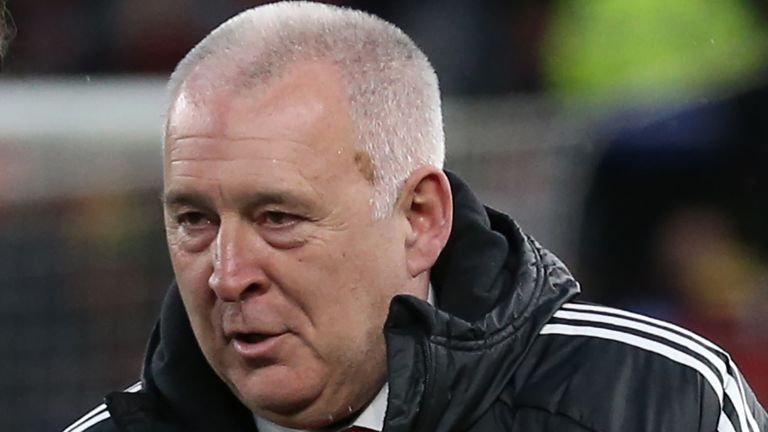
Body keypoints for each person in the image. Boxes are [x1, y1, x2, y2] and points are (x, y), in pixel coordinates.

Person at [63, 2, 768, 431]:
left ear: (421, 217)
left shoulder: (656, 402)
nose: (226, 276)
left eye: (278, 217)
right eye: (194, 221)